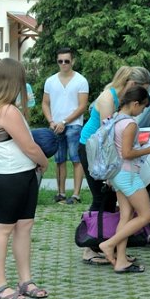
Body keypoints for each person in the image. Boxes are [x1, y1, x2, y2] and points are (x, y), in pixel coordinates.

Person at [0, 58, 49, 299]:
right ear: (13, 81)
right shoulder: (6, 111)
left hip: (23, 174)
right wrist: (44, 162)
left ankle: (25, 281)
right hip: (10, 176)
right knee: (3, 229)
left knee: (24, 226)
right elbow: (29, 147)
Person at [78, 66, 150, 264]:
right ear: (133, 84)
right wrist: (111, 173)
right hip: (93, 150)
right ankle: (91, 247)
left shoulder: (121, 99)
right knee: (101, 198)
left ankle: (112, 249)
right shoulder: (108, 99)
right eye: (143, 90)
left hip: (108, 153)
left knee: (112, 202)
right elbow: (107, 138)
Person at [97, 87, 150, 273]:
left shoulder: (115, 119)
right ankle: (109, 245)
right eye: (143, 107)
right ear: (135, 103)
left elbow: (120, 148)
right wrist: (148, 149)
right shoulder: (130, 124)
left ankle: (121, 261)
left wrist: (139, 145)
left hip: (116, 174)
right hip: (128, 174)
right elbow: (127, 153)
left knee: (125, 216)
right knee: (146, 215)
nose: (142, 111)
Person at [42, 47, 89, 204]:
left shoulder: (81, 80)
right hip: (56, 125)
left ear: (72, 61)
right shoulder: (50, 81)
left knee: (76, 159)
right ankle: (61, 193)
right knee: (59, 160)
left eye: (66, 61)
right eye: (60, 61)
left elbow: (82, 106)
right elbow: (45, 103)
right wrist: (51, 121)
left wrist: (64, 121)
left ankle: (76, 194)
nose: (63, 64)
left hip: (74, 125)